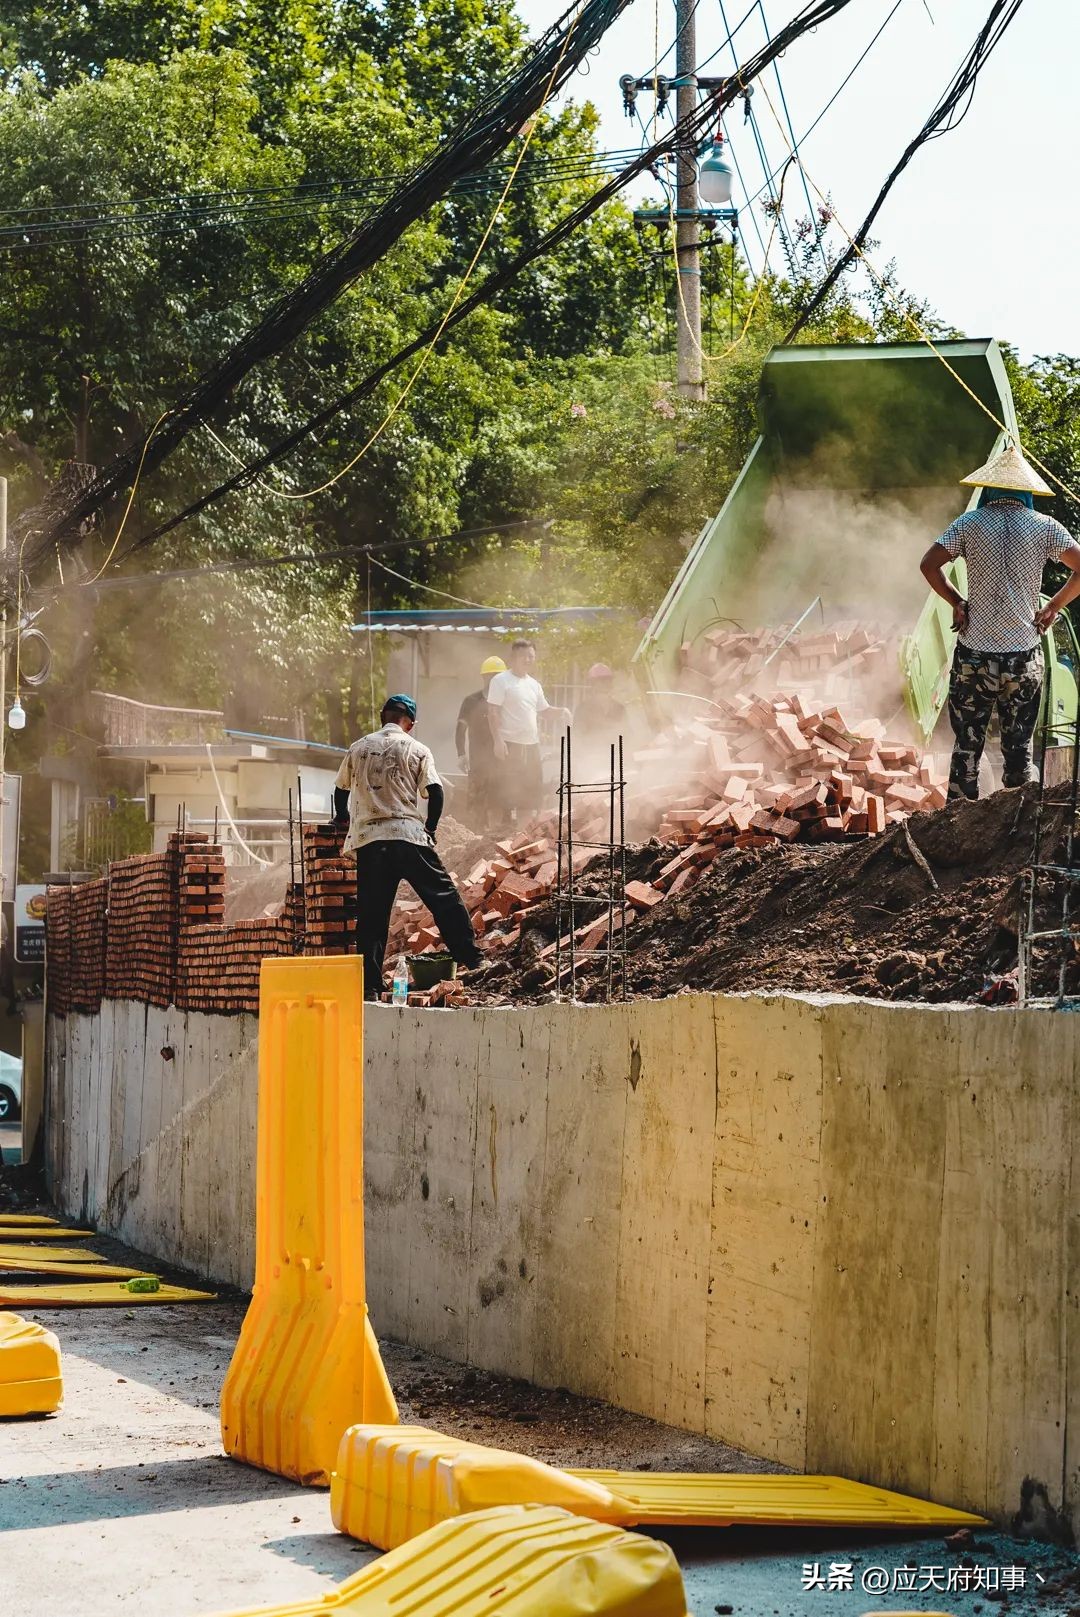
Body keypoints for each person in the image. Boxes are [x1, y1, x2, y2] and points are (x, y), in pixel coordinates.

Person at [919, 444, 1080, 801]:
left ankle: (958, 823)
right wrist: (1054, 606)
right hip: (1023, 658)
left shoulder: (968, 523)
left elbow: (928, 565)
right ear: (1027, 491)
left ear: (989, 488)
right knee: (1019, 752)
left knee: (966, 748)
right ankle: (1016, 826)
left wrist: (957, 602)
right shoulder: (1046, 527)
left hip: (973, 657)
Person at [333, 694, 482, 999]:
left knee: (372, 915)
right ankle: (472, 958)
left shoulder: (358, 747)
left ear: (382, 716)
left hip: (371, 842)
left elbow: (340, 790)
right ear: (411, 724)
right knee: (444, 898)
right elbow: (436, 792)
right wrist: (430, 828)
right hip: (409, 838)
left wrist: (342, 818)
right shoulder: (417, 749)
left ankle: (370, 985)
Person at [486, 640, 571, 824]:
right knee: (504, 792)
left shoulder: (534, 684)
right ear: (513, 657)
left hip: (532, 746)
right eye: (523, 656)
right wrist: (498, 741)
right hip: (509, 745)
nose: (528, 660)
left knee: (529, 793)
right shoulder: (500, 680)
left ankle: (522, 832)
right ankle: (495, 833)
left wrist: (562, 711)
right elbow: (492, 712)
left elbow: (544, 711)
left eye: (531, 656)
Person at [455, 655, 506, 831]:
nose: (495, 680)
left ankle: (497, 838)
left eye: (499, 676)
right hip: (478, 762)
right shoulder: (471, 701)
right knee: (476, 804)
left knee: (499, 802)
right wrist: (461, 754)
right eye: (492, 676)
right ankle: (474, 836)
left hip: (502, 762)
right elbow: (460, 729)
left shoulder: (507, 701)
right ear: (484, 677)